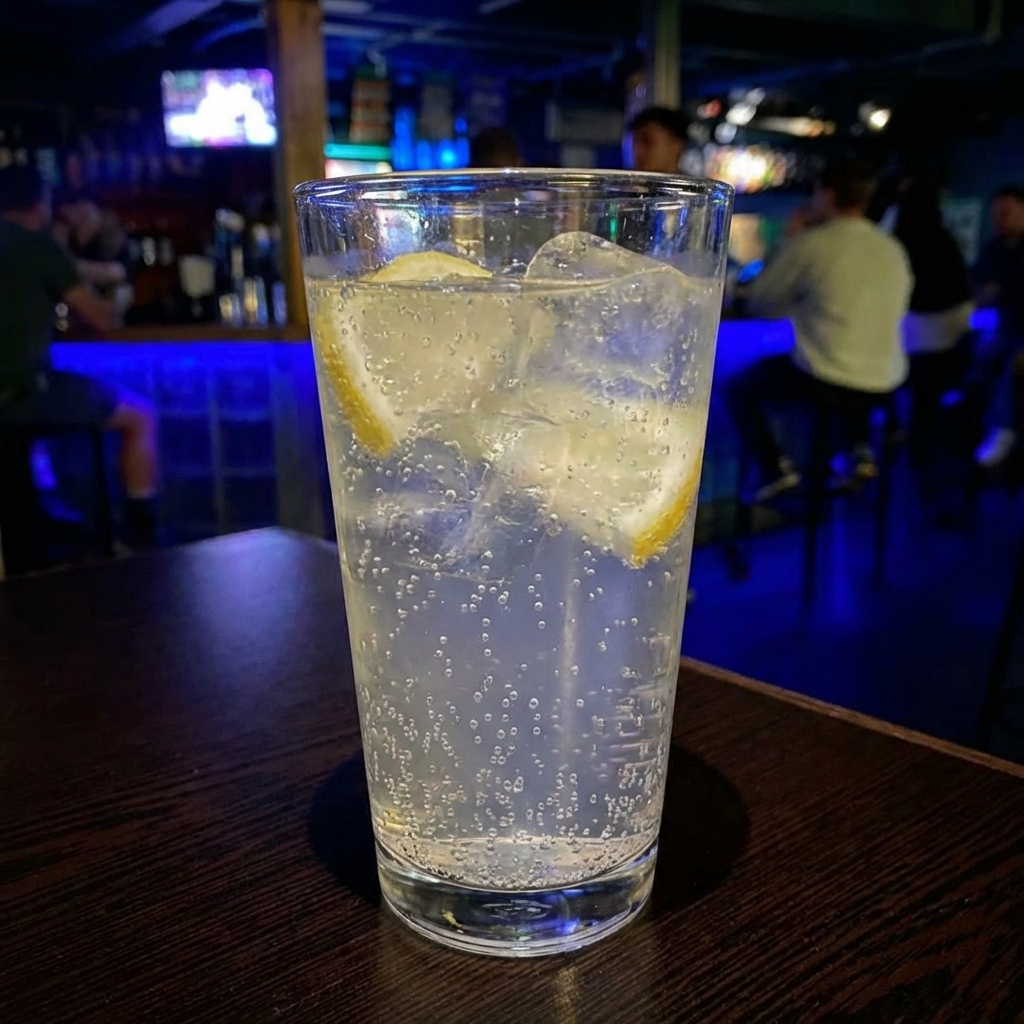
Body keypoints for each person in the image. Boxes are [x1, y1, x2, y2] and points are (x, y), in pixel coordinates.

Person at [726, 158, 913, 500]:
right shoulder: (892, 249)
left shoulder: (814, 243)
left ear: (826, 194)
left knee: (737, 389)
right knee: (842, 367)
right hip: (885, 381)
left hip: (829, 379)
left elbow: (759, 298)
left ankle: (775, 472)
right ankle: (856, 451)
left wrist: (789, 239)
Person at [0, 164, 158, 547]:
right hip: (22, 395)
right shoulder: (37, 246)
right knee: (140, 416)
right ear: (41, 203)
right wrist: (117, 302)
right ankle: (140, 536)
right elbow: (101, 319)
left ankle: (47, 516)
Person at [893, 180, 974, 461]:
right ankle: (921, 452)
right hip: (947, 345)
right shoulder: (945, 242)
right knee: (926, 405)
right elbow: (962, 295)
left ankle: (897, 440)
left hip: (911, 346)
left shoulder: (897, 243)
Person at [971, 186, 1024, 468]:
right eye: (996, 215)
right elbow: (978, 289)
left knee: (1009, 364)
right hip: (1003, 327)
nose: (999, 220)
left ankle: (1003, 429)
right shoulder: (994, 249)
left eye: (1006, 213)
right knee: (978, 354)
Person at [626, 107, 687, 174]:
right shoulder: (623, 183)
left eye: (647, 141)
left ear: (677, 147)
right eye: (634, 143)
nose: (637, 151)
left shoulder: (693, 184)